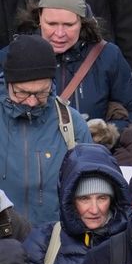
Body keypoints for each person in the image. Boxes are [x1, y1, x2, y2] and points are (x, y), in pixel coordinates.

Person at [0, 34, 90, 223]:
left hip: (54, 236)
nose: (32, 102)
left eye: (41, 93)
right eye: (22, 93)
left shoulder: (72, 124)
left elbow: (88, 188)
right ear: (8, 83)